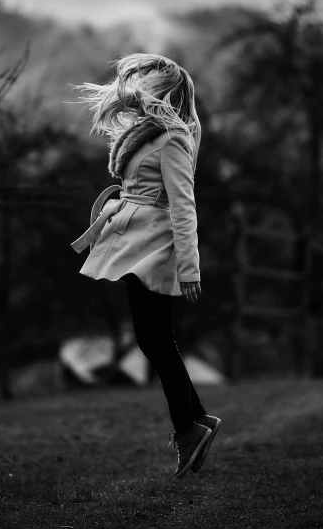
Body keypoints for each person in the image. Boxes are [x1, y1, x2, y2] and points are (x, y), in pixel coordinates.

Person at [69, 53, 221, 479]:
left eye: (146, 84)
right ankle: (197, 422)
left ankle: (190, 428)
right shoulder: (152, 133)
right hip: (135, 239)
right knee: (154, 340)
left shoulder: (173, 138)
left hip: (152, 246)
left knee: (156, 340)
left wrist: (190, 268)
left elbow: (184, 206)